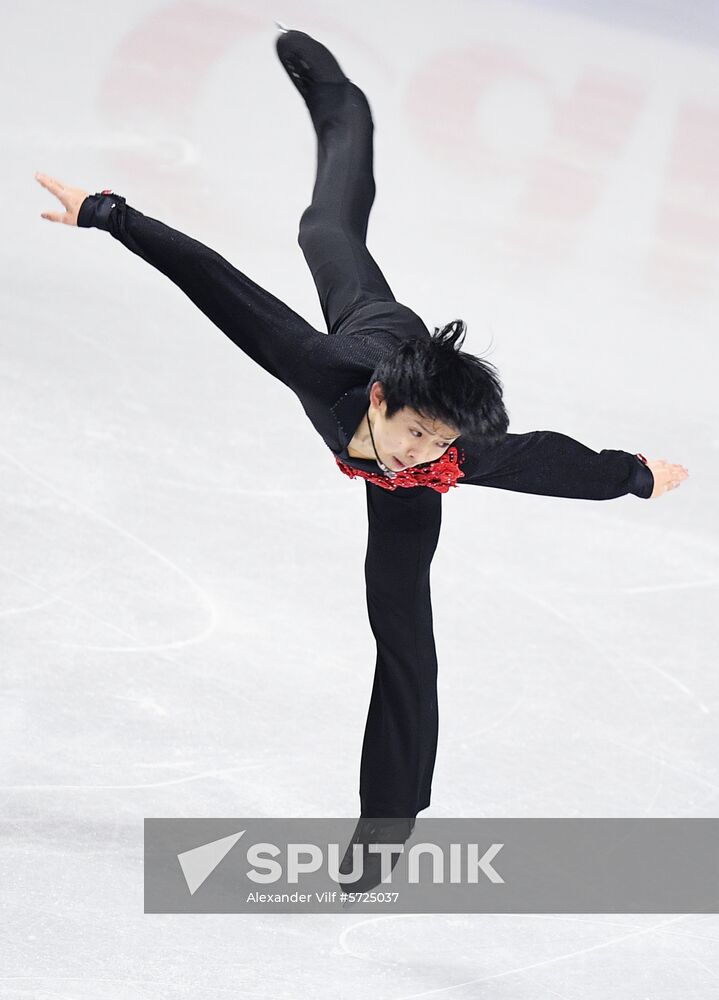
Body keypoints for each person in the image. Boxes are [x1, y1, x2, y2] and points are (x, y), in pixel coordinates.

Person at [34, 27, 688, 894]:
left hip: (414, 418)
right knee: (322, 227)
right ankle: (343, 104)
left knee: (404, 641)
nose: (422, 456)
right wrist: (110, 213)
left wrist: (632, 472)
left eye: (438, 446)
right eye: (416, 435)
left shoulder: (451, 460)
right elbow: (219, 282)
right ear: (380, 403)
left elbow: (552, 461)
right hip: (376, 326)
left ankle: (387, 825)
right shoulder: (329, 370)